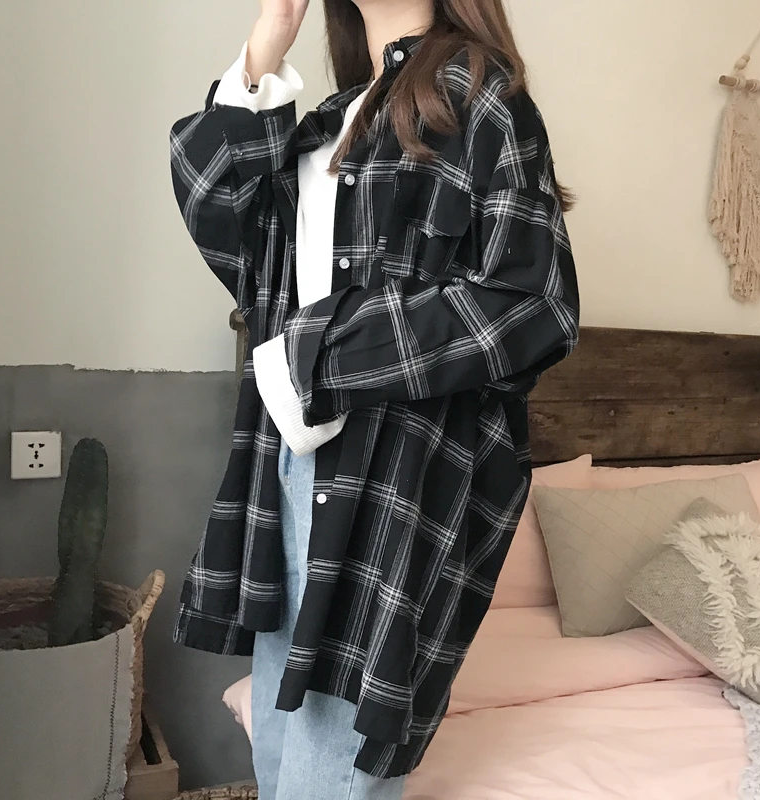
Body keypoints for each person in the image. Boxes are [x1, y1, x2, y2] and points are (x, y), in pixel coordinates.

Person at [170, 0, 579, 798]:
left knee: (330, 769)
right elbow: (221, 217)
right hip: (289, 462)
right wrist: (265, 46)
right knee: (280, 752)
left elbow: (535, 305)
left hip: (399, 474)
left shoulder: (479, 93)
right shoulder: (333, 117)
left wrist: (323, 352)